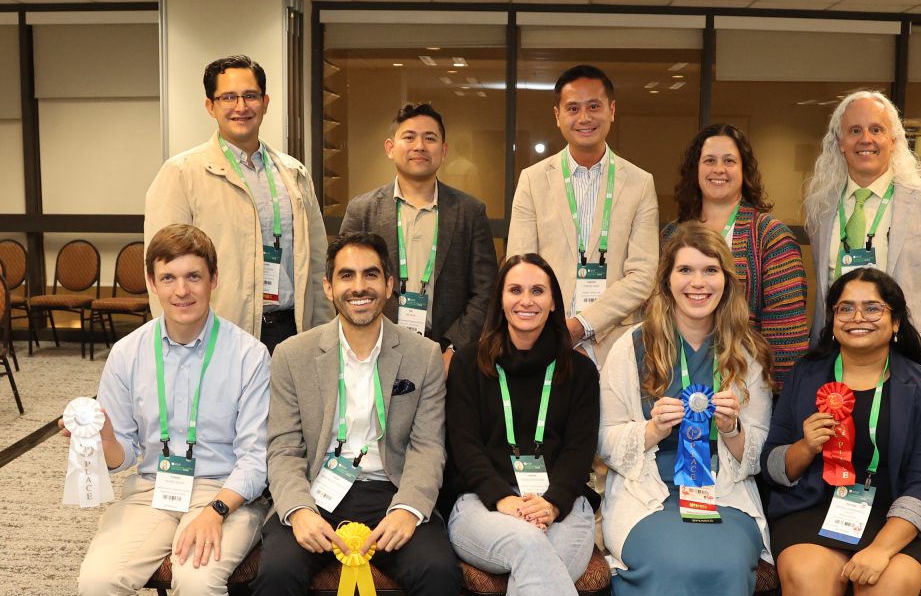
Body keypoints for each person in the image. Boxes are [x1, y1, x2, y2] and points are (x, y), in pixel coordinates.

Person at [250, 232, 460, 596]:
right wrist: (298, 510)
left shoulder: (422, 356)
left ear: (388, 284)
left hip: (392, 491)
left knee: (439, 573)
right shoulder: (292, 355)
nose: (358, 286)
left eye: (370, 275)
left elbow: (427, 445)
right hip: (316, 492)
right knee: (274, 578)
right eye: (346, 275)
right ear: (328, 287)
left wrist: (409, 510)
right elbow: (284, 447)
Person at [74, 224, 270, 596]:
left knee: (197, 583)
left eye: (193, 277)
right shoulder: (127, 354)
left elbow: (257, 458)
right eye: (169, 278)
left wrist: (216, 510)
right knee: (99, 584)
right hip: (150, 491)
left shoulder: (249, 356)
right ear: (152, 283)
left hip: (226, 495)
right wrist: (103, 438)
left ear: (213, 279)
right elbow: (122, 457)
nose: (182, 291)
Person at [599, 225, 773, 596]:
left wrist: (732, 429)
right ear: (667, 279)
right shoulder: (630, 345)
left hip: (724, 497)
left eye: (710, 270)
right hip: (648, 497)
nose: (698, 283)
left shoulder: (746, 351)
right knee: (673, 562)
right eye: (686, 270)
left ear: (726, 281)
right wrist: (654, 429)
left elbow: (757, 454)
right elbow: (605, 441)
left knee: (727, 562)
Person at [760, 267, 921, 596]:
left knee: (890, 584)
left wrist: (881, 550)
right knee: (806, 575)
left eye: (871, 307)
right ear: (832, 319)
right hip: (813, 507)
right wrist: (804, 446)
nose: (857, 317)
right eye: (845, 307)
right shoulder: (804, 375)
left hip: (895, 515)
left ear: (896, 321)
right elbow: (772, 466)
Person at [445, 253, 600, 596]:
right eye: (515, 290)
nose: (525, 300)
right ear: (500, 299)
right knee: (530, 547)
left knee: (525, 591)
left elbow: (578, 453)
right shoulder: (469, 363)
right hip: (482, 506)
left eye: (537, 290)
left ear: (553, 302)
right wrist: (504, 500)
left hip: (563, 507)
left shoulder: (581, 371)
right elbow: (465, 446)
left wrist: (551, 504)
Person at [145, 54, 333, 354]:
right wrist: (176, 344)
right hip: (217, 337)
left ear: (265, 102)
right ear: (211, 106)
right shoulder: (181, 174)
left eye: (250, 96)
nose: (241, 107)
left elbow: (317, 265)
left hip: (292, 333)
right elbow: (163, 270)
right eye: (228, 97)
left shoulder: (293, 174)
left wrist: (324, 334)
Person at [804, 90, 921, 394]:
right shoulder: (820, 209)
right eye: (854, 130)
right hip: (833, 368)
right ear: (840, 142)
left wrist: (915, 349)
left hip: (907, 368)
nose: (866, 139)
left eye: (876, 129)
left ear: (893, 141)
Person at [507, 64, 658, 366]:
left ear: (612, 110)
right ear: (557, 116)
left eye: (594, 106)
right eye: (573, 108)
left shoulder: (640, 183)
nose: (584, 118)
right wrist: (554, 330)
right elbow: (520, 267)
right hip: (544, 340)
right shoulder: (532, 180)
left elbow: (642, 275)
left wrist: (580, 325)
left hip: (618, 347)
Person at [341, 102, 497, 374]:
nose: (420, 146)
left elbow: (485, 291)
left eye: (430, 138)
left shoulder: (470, 212)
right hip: (375, 353)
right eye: (409, 137)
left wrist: (454, 349)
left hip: (444, 357)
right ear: (390, 148)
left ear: (444, 150)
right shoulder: (362, 211)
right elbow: (343, 281)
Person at [662, 124, 809, 386]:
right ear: (696, 170)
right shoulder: (673, 235)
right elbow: (659, 308)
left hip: (747, 384)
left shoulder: (770, 235)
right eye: (709, 160)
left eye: (729, 161)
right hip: (679, 379)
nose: (719, 169)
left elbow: (786, 337)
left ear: (744, 171)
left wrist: (773, 395)